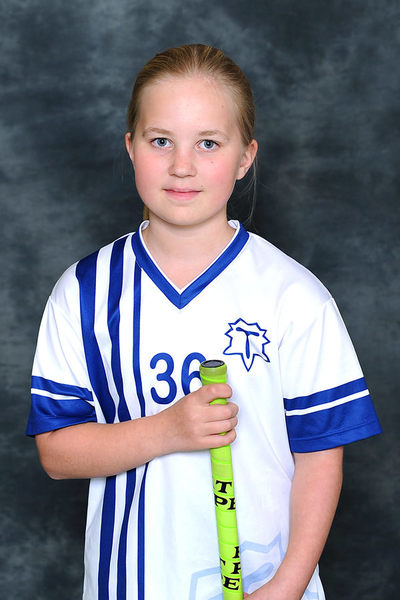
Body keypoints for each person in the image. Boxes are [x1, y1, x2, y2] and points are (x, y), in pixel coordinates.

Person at [26, 44, 381, 600]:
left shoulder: (293, 295)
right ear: (131, 147)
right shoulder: (84, 292)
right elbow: (57, 453)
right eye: (160, 141)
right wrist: (169, 430)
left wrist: (286, 588)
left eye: (208, 143)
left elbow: (320, 457)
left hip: (267, 585)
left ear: (245, 157)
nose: (182, 166)